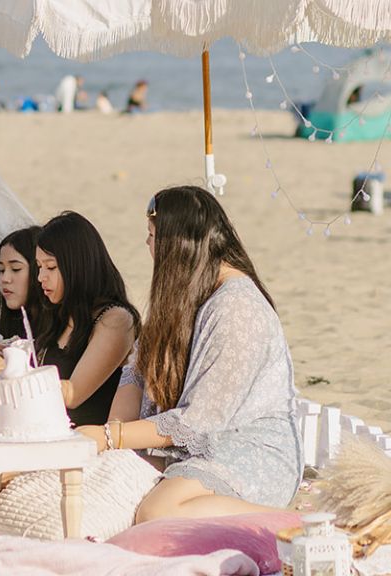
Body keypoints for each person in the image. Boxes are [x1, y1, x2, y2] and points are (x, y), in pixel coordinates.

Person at [81, 185, 302, 521]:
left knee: (158, 512)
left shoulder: (237, 306)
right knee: (107, 489)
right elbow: (137, 370)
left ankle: (291, 525)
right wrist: (114, 440)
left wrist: (110, 437)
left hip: (247, 449)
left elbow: (200, 422)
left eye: (153, 235)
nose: (147, 244)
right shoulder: (186, 294)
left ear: (179, 246)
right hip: (189, 445)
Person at [34, 212, 141, 427]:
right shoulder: (61, 315)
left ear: (77, 265)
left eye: (51, 267)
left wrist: (10, 380)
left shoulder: (115, 320)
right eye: (39, 266)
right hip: (52, 437)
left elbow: (73, 394)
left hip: (92, 448)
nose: (40, 277)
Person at [0, 226, 44, 341]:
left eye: (16, 269)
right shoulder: (5, 326)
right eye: (1, 270)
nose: (5, 279)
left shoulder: (63, 328)